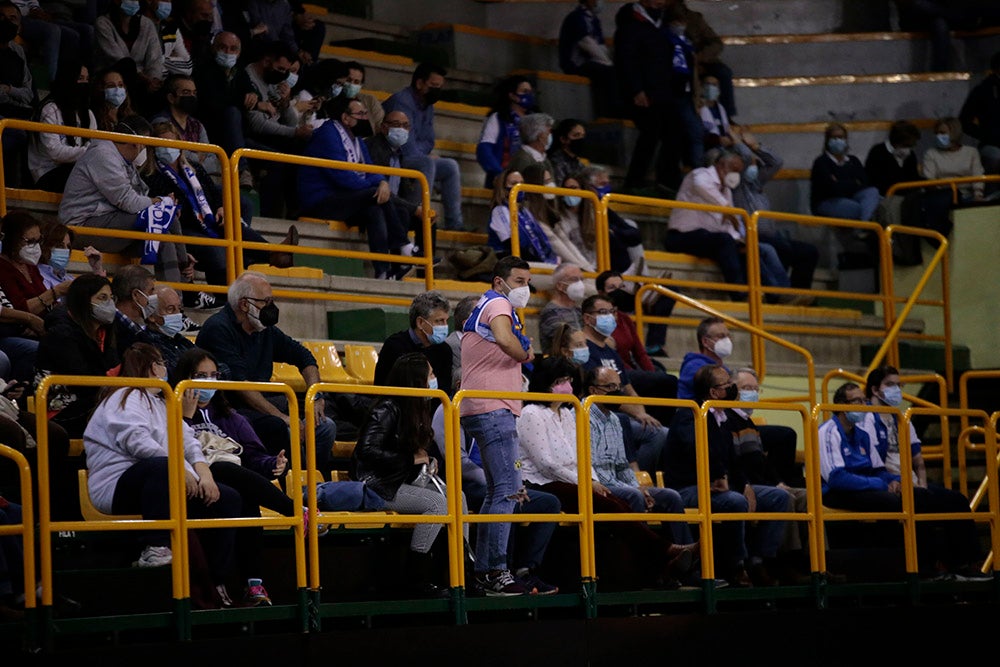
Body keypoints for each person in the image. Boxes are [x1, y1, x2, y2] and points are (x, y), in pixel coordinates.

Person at [517, 355, 697, 588]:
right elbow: (547, 464)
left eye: (569, 380)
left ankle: (661, 565)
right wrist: (585, 482)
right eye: (561, 380)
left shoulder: (568, 414)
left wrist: (591, 479)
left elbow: (581, 455)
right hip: (541, 482)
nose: (567, 386)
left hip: (573, 481)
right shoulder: (531, 413)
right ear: (546, 382)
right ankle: (666, 552)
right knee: (613, 505)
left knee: (617, 503)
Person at [83, 342, 242, 605]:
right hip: (117, 487)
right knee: (160, 467)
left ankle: (217, 579)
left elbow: (188, 441)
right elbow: (137, 442)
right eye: (161, 363)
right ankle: (155, 548)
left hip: (164, 482)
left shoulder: (161, 402)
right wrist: (181, 470)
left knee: (229, 498)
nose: (165, 369)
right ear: (151, 366)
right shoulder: (122, 397)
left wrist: (204, 475)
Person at [819, 382, 985, 579]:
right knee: (898, 501)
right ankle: (921, 568)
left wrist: (897, 480)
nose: (863, 405)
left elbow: (878, 470)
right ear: (840, 405)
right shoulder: (828, 431)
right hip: (837, 492)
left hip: (866, 486)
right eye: (856, 401)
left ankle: (964, 564)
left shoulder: (861, 435)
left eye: (863, 400)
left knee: (939, 497)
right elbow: (837, 478)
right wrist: (881, 484)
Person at [176, 346, 298, 606]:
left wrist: (272, 464)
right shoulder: (170, 413)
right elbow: (172, 446)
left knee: (244, 496)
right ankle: (296, 510)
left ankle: (254, 586)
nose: (209, 382)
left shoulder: (232, 417)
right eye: (200, 375)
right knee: (221, 469)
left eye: (213, 375)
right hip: (191, 483)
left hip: (230, 484)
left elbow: (252, 457)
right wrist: (185, 416)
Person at [350, 352, 470, 598]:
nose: (435, 380)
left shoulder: (416, 408)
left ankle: (461, 572)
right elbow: (366, 451)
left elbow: (411, 452)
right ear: (416, 382)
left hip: (400, 480)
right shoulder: (387, 408)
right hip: (377, 485)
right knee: (437, 504)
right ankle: (417, 578)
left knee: (458, 497)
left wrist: (427, 460)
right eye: (431, 375)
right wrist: (409, 459)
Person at [194, 271, 337, 475]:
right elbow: (241, 385)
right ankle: (298, 484)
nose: (271, 307)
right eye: (266, 301)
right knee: (282, 427)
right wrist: (283, 417)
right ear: (245, 305)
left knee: (324, 426)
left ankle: (318, 483)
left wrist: (316, 396)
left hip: (262, 404)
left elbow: (304, 357)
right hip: (230, 408)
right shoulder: (218, 329)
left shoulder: (264, 329)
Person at [662, 363, 791, 586]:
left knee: (780, 497)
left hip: (720, 486)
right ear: (713, 392)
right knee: (735, 501)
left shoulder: (721, 418)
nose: (733, 388)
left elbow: (734, 460)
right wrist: (720, 475)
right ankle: (736, 566)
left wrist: (746, 485)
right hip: (689, 488)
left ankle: (759, 561)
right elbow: (697, 448)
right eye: (728, 385)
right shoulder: (689, 414)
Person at [459, 255, 535, 596]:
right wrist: (523, 354)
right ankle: (496, 572)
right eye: (519, 281)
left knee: (496, 491)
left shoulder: (488, 306)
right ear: (499, 282)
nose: (525, 288)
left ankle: (486, 571)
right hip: (493, 408)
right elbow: (507, 342)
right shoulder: (498, 303)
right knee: (507, 490)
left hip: (483, 407)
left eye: (527, 282)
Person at [59, 115, 194, 285]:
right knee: (165, 216)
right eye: (145, 145)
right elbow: (129, 202)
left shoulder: (125, 161)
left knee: (163, 239)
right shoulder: (102, 154)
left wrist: (160, 203)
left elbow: (140, 195)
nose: (145, 150)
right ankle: (185, 269)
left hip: (112, 223)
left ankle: (176, 301)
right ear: (135, 142)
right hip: (83, 226)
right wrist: (160, 202)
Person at [676, 316, 802, 485]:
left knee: (778, 437)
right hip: (706, 426)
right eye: (721, 336)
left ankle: (779, 483)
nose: (727, 340)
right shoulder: (697, 367)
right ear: (705, 342)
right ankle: (773, 485)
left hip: (726, 422)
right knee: (782, 436)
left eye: (728, 335)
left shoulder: (723, 369)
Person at [298, 95, 412, 279]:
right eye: (361, 114)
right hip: (320, 200)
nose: (366, 118)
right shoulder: (328, 134)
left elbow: (369, 169)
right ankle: (403, 244)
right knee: (374, 196)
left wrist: (382, 182)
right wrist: (376, 186)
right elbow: (342, 177)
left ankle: (383, 271)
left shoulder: (357, 139)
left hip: (343, 199)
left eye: (366, 113)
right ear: (346, 118)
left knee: (374, 209)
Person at [586, 365, 694, 546]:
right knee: (633, 496)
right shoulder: (581, 415)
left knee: (670, 497)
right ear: (593, 389)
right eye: (610, 387)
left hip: (618, 485)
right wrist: (634, 490)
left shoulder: (614, 418)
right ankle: (644, 561)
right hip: (596, 485)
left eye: (619, 387)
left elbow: (622, 464)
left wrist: (638, 486)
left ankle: (685, 556)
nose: (617, 392)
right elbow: (592, 466)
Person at [579, 293, 676, 464]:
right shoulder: (584, 349)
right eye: (603, 312)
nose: (609, 317)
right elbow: (604, 395)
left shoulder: (610, 351)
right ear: (587, 318)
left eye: (612, 312)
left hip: (621, 415)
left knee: (664, 431)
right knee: (657, 434)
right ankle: (638, 477)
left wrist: (643, 414)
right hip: (601, 415)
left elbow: (629, 388)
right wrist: (638, 414)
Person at [730, 130, 819, 301]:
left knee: (809, 252)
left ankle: (800, 295)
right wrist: (738, 142)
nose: (755, 166)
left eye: (757, 163)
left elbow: (777, 162)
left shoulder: (756, 182)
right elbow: (746, 158)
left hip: (771, 236)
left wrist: (756, 146)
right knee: (782, 248)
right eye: (751, 163)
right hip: (750, 235)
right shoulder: (736, 182)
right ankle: (782, 294)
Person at [33, 273, 120, 438]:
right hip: (61, 410)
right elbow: (82, 381)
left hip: (94, 401)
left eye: (111, 298)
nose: (109, 304)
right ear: (83, 300)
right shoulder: (60, 334)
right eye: (102, 298)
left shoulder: (105, 332)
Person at [382, 62, 465, 231]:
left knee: (450, 166)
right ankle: (414, 212)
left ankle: (454, 223)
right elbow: (405, 144)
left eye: (440, 87)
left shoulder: (428, 105)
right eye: (433, 85)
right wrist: (423, 154)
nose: (437, 90)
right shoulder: (402, 101)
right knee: (426, 163)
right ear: (419, 83)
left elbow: (429, 141)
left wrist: (422, 153)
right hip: (392, 156)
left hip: (414, 156)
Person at [364, 109, 437, 260]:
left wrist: (419, 208)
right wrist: (413, 208)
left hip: (394, 202)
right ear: (384, 127)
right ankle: (398, 266)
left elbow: (403, 189)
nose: (401, 129)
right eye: (396, 124)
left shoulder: (399, 152)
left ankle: (425, 269)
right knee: (403, 212)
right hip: (377, 202)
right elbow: (380, 189)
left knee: (428, 218)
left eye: (405, 126)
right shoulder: (375, 147)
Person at [28, 61, 96, 192]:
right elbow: (55, 152)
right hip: (47, 172)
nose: (85, 84)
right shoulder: (50, 110)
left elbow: (93, 145)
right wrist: (88, 152)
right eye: (80, 79)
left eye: (87, 79)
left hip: (77, 169)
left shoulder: (88, 114)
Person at [373, 290, 453, 398]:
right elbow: (383, 389)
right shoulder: (394, 346)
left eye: (446, 320)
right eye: (439, 321)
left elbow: (444, 393)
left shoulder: (444, 350)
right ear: (420, 322)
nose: (445, 326)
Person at [918, 116, 986, 241]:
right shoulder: (931, 153)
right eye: (937, 133)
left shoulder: (971, 152)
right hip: (942, 197)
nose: (939, 136)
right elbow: (930, 179)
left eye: (943, 133)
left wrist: (978, 194)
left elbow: (977, 175)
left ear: (954, 133)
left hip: (967, 196)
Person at [0, 210, 71, 325]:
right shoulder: (2, 268)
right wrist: (57, 291)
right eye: (30, 241)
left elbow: (47, 304)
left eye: (38, 240)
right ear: (12, 240)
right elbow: (19, 309)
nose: (36, 246)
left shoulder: (29, 266)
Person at [94, 0, 165, 114]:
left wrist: (153, 80)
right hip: (113, 73)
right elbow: (115, 56)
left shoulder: (147, 24)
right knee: (128, 65)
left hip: (144, 80)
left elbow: (155, 58)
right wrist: (143, 78)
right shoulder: (103, 23)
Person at [557, 0, 619, 118]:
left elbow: (600, 45)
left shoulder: (594, 20)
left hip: (594, 63)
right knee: (608, 74)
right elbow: (586, 44)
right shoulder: (576, 18)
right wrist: (608, 64)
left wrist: (609, 62)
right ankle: (607, 115)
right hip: (576, 65)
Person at [810, 122, 881, 223]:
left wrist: (840, 183)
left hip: (851, 197)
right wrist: (854, 182)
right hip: (826, 202)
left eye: (841, 137)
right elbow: (831, 189)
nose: (838, 140)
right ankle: (867, 228)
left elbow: (864, 183)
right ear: (827, 141)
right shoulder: (821, 162)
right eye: (834, 138)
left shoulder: (853, 160)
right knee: (857, 208)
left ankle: (865, 229)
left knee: (872, 192)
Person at [486, 167, 558, 265]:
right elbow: (510, 243)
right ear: (503, 187)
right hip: (509, 262)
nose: (519, 187)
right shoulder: (499, 210)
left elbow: (539, 238)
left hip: (532, 261)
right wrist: (538, 262)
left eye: (521, 183)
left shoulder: (525, 211)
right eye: (514, 183)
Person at [476, 74, 534, 188]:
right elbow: (484, 150)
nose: (529, 95)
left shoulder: (535, 120)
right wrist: (500, 173)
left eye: (530, 92)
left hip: (529, 180)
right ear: (512, 95)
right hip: (503, 179)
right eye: (524, 91)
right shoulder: (498, 118)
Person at [135, 284, 196, 377]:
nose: (178, 314)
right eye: (170, 309)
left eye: (179, 308)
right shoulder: (147, 345)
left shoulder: (181, 340)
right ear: (151, 316)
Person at [960, 51, 1000, 177]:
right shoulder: (983, 90)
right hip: (992, 145)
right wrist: (987, 135)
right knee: (995, 157)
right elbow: (964, 121)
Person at [550, 172, 597, 272]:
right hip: (572, 268)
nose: (569, 192)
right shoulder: (558, 217)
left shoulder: (594, 214)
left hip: (594, 267)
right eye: (566, 189)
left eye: (573, 188)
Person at [538, 262, 585, 355]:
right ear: (560, 286)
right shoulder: (550, 312)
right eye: (574, 279)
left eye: (581, 279)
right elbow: (567, 338)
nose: (580, 284)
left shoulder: (579, 310)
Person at [507, 112, 555, 179]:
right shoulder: (523, 159)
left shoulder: (543, 158)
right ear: (540, 136)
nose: (550, 134)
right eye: (549, 131)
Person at [342, 61, 384, 133]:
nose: (351, 84)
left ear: (361, 85)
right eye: (348, 80)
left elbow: (380, 126)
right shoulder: (332, 100)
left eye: (356, 82)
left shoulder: (370, 101)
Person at [90, 66, 135, 131]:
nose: (117, 89)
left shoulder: (131, 119)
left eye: (120, 85)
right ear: (100, 89)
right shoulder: (93, 118)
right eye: (111, 86)